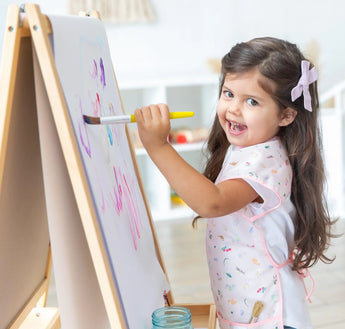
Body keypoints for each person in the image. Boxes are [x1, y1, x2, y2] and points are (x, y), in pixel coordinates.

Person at [134, 37, 336, 329]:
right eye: (228, 93)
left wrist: (158, 147)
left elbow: (212, 202)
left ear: (287, 114)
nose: (233, 109)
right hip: (247, 306)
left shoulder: (265, 160)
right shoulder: (246, 147)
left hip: (270, 314)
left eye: (252, 101)